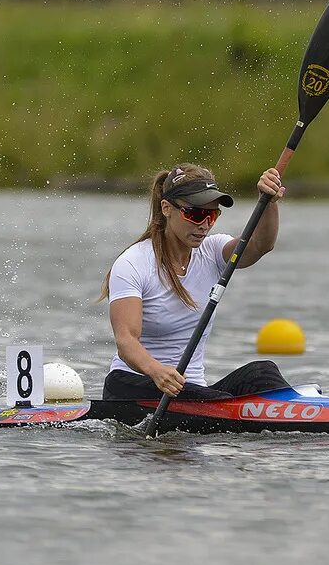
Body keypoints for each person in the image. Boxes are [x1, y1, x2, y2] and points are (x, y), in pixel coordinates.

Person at [100, 163, 291, 401]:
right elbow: (126, 340)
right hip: (133, 387)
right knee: (211, 398)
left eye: (212, 215)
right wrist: (156, 370)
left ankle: (301, 410)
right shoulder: (132, 264)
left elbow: (259, 245)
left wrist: (269, 202)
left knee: (262, 373)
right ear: (167, 209)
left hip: (192, 392)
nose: (204, 225)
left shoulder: (212, 251)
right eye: (195, 214)